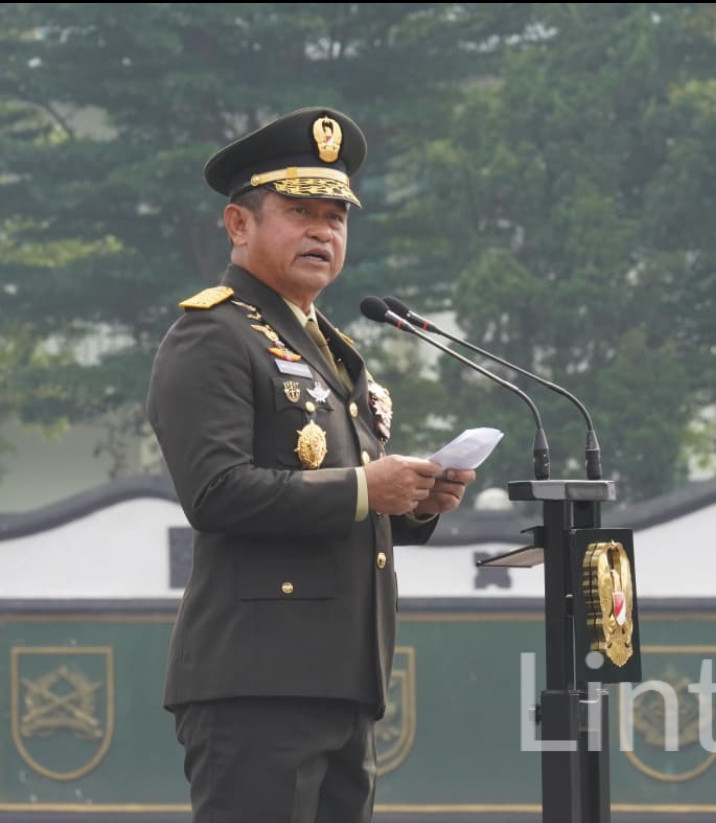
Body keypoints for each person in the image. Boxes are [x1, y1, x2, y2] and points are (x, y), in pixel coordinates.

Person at [146, 106, 477, 823]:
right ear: (239, 224)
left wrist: (413, 500)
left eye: (336, 216)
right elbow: (217, 493)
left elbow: (343, 502)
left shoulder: (329, 349)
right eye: (300, 212)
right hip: (256, 682)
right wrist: (365, 487)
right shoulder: (214, 336)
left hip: (341, 679)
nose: (323, 232)